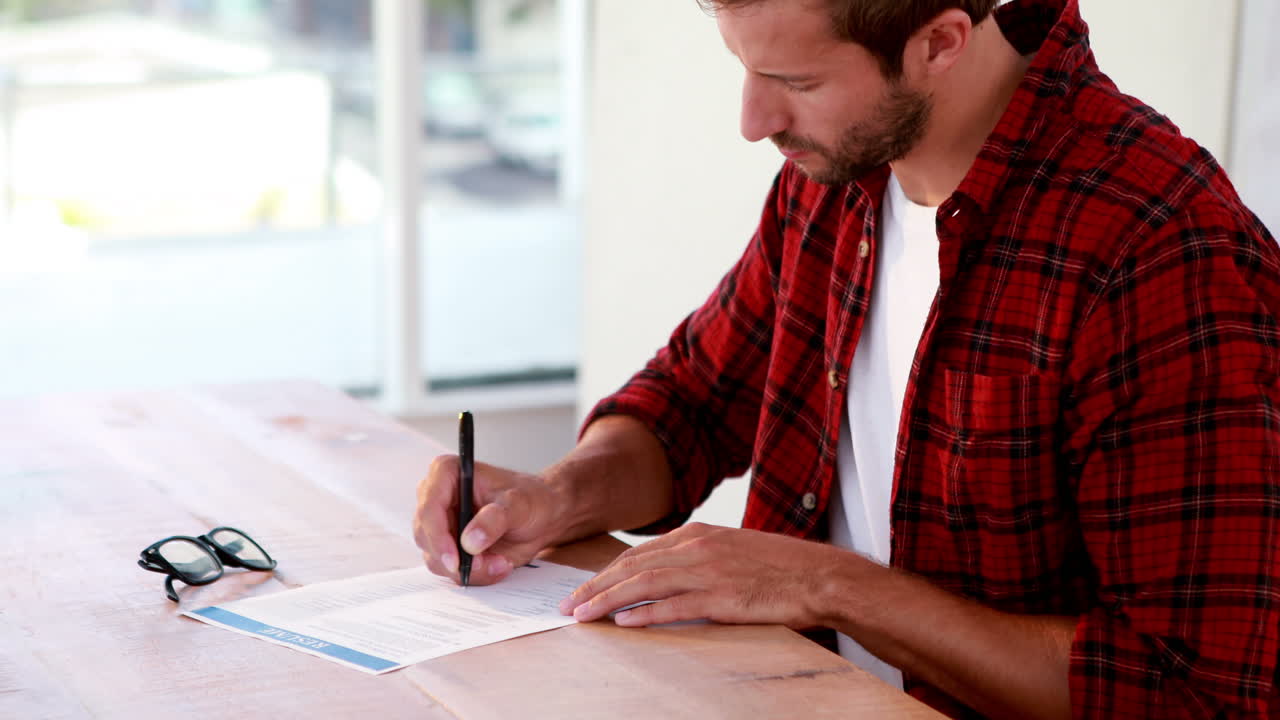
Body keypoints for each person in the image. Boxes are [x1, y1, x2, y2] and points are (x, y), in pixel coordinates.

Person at [413, 0, 1280, 716]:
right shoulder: (836, 178)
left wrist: (833, 586)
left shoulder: (1158, 250)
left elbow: (1192, 689)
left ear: (940, 41)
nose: (754, 121)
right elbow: (693, 405)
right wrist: (557, 494)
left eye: (796, 81)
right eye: (744, 68)